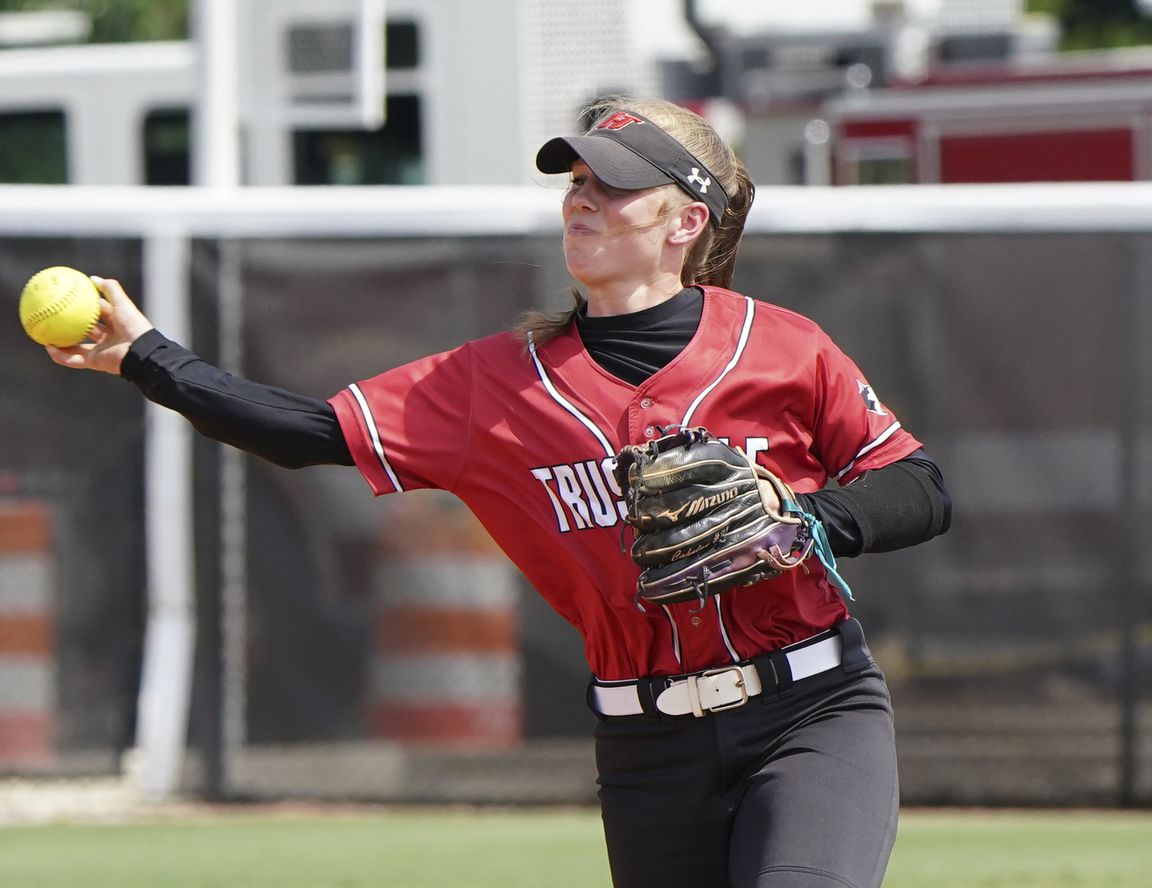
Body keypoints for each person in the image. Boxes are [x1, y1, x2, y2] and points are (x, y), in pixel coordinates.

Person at [47, 96, 950, 888]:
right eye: (575, 182)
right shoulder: (493, 386)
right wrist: (145, 358)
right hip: (647, 749)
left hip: (810, 712)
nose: (582, 198)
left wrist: (804, 520)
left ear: (686, 222)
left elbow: (918, 484)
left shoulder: (782, 345)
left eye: (614, 185)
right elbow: (309, 432)